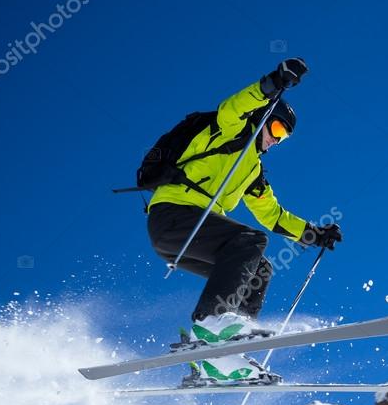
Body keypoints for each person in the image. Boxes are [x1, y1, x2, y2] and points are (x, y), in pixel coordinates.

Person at [146, 58, 343, 383]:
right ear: (264, 117)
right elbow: (235, 106)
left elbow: (273, 215)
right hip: (173, 216)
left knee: (260, 268)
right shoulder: (229, 129)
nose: (276, 140)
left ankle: (221, 357)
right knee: (249, 241)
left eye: (284, 138)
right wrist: (273, 83)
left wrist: (314, 234)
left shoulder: (253, 171)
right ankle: (211, 321)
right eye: (277, 129)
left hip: (191, 234)